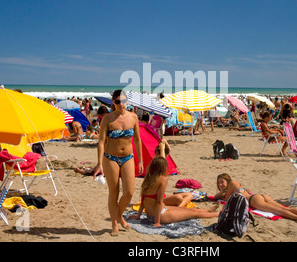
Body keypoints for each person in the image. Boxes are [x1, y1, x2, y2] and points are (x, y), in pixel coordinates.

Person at [92, 90, 143, 236]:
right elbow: (101, 142)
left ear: (128, 101)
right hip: (110, 158)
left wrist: (140, 160)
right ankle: (114, 223)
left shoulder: (133, 117)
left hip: (128, 157)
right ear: (113, 103)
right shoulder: (108, 118)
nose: (121, 104)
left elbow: (138, 140)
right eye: (118, 102)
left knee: (129, 192)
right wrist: (99, 163)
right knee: (114, 193)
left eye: (124, 101)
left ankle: (119, 215)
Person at [129, 156, 220, 227]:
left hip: (152, 214)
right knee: (194, 214)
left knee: (185, 209)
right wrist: (157, 222)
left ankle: (208, 210)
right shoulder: (163, 179)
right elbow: (159, 202)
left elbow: (143, 199)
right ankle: (218, 214)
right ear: (163, 168)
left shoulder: (148, 178)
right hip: (160, 215)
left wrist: (138, 216)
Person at [214, 173, 297, 225]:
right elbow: (215, 197)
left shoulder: (233, 183)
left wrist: (224, 191)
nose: (220, 184)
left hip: (253, 200)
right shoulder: (233, 186)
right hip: (260, 196)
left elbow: (224, 199)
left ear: (228, 180)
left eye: (222, 182)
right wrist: (223, 190)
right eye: (218, 183)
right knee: (284, 208)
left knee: (279, 210)